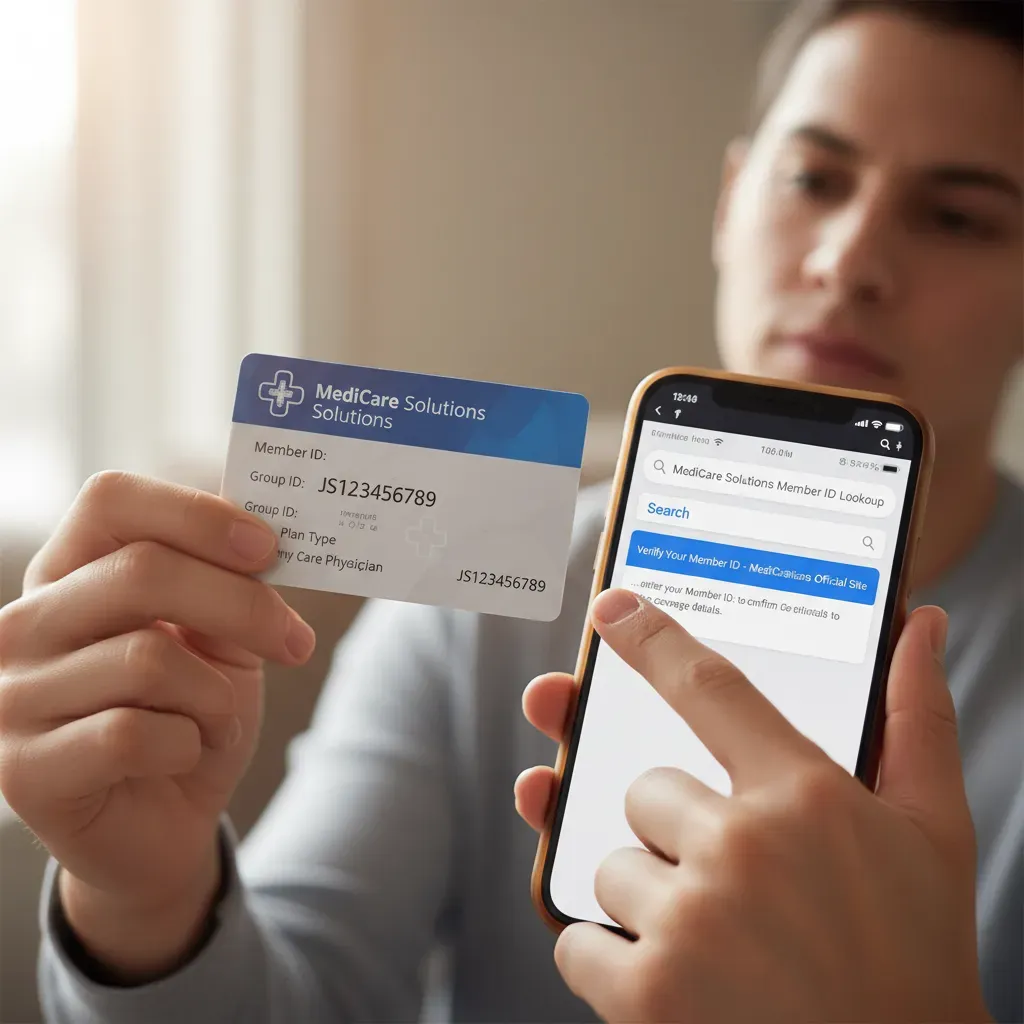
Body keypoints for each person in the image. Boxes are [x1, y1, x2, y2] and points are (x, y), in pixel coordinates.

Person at [0, 1, 1019, 1020]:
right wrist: (145, 900)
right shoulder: (479, 590)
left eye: (957, 216)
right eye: (812, 179)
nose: (847, 261)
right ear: (728, 200)